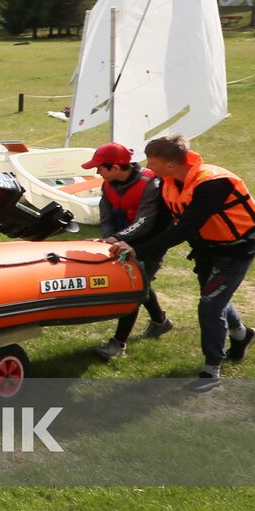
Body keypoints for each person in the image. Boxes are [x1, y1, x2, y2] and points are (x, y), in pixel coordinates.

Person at [110, 134, 255, 393]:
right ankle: (243, 335)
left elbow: (184, 228)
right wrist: (121, 237)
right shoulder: (169, 180)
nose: (147, 166)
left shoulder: (212, 184)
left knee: (209, 306)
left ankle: (212, 371)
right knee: (213, 298)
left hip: (236, 250)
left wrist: (138, 250)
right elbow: (157, 218)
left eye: (152, 161)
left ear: (170, 164)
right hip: (207, 249)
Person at [82, 142, 174, 360]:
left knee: (133, 287)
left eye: (99, 168)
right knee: (142, 283)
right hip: (122, 240)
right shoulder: (108, 183)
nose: (97, 172)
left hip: (150, 244)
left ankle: (118, 344)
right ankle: (161, 322)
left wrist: (118, 238)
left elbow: (145, 221)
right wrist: (107, 238)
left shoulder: (150, 184)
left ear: (115, 167)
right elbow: (106, 216)